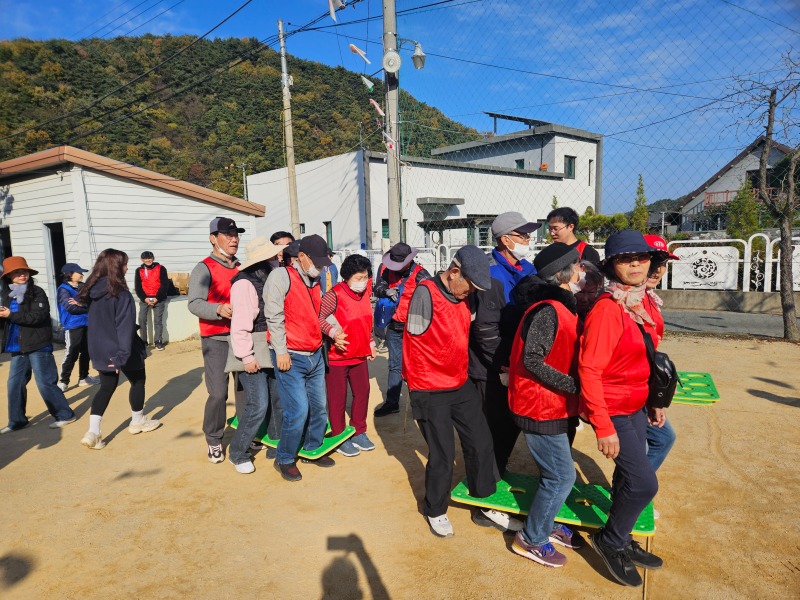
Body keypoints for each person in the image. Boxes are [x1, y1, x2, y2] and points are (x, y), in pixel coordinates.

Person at [579, 230, 664, 587]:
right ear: (612, 265)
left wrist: (655, 400)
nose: (635, 264)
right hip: (612, 407)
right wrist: (603, 426)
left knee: (631, 478)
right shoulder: (608, 309)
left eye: (641, 257)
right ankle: (611, 541)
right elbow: (589, 370)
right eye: (625, 258)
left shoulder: (643, 301)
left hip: (635, 403)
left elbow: (647, 356)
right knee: (644, 483)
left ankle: (621, 534)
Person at [403, 246, 502, 538]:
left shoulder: (465, 296)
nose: (470, 293)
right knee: (443, 453)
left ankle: (484, 498)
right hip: (430, 386)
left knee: (481, 441)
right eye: (469, 286)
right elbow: (412, 341)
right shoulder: (425, 293)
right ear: (454, 272)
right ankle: (435, 509)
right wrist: (418, 386)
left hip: (459, 381)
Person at [507, 243, 586, 568]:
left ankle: (546, 523)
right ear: (563, 273)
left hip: (554, 403)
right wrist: (573, 385)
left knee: (555, 474)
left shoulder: (562, 307)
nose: (582, 271)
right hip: (539, 405)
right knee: (562, 477)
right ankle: (531, 538)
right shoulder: (548, 311)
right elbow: (533, 360)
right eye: (578, 265)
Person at [469, 211, 539, 480]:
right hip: (492, 366)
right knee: (491, 427)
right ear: (505, 240)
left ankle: (497, 469)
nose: (528, 240)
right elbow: (485, 330)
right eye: (523, 235)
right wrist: (504, 364)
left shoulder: (528, 269)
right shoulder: (490, 274)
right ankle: (484, 482)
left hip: (516, 362)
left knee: (512, 423)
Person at [265, 234, 335, 481]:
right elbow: (274, 316)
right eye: (316, 262)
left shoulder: (315, 281)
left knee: (319, 407)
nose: (320, 268)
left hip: (315, 353)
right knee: (297, 410)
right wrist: (280, 350)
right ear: (301, 257)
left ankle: (312, 447)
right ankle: (284, 457)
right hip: (291, 355)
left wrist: (335, 331)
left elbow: (319, 314)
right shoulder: (281, 276)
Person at [77, 249, 161, 449]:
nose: (127, 268)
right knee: (138, 380)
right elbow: (124, 327)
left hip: (99, 348)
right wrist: (121, 355)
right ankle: (137, 420)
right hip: (123, 348)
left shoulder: (92, 292)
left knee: (106, 387)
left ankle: (93, 432)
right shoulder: (121, 294)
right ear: (116, 267)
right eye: (124, 264)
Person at [226, 237, 286, 474]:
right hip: (252, 349)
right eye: (273, 255)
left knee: (276, 398)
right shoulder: (244, 284)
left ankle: (275, 443)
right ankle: (237, 452)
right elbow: (240, 324)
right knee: (258, 403)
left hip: (271, 345)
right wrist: (247, 357)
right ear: (262, 260)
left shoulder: (269, 277)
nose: (277, 258)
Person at [188, 217, 245, 464]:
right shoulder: (204, 268)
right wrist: (218, 309)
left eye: (236, 234)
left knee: (244, 390)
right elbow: (194, 303)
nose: (234, 239)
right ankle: (213, 437)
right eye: (228, 235)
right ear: (213, 238)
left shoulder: (241, 267)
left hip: (241, 336)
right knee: (219, 393)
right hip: (216, 338)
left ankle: (246, 431)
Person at [0, 256, 77, 433]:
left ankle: (65, 414)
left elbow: (38, 317)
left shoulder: (37, 292)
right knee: (14, 384)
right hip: (17, 346)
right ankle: (17, 420)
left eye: (24, 271)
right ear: (8, 276)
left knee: (45, 382)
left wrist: (11, 315)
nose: (22, 275)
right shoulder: (6, 295)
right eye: (17, 272)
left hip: (38, 344)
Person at [318, 254, 377, 457]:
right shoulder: (334, 294)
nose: (363, 281)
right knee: (337, 398)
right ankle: (339, 435)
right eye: (359, 277)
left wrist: (370, 341)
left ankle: (359, 431)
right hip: (338, 356)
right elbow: (319, 318)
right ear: (347, 276)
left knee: (363, 392)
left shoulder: (365, 293)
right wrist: (333, 332)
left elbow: (365, 319)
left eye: (365, 277)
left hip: (359, 354)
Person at [372, 243, 431, 417]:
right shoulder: (387, 271)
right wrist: (386, 291)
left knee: (417, 366)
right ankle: (392, 402)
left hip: (414, 329)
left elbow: (431, 298)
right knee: (394, 365)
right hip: (394, 326)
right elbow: (377, 288)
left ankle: (421, 404)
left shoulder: (421, 274)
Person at [642, 234, 679, 474]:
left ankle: (630, 488)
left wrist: (656, 398)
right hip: (627, 391)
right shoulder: (625, 300)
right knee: (645, 447)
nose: (658, 270)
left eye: (663, 264)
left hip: (643, 386)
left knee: (663, 438)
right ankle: (631, 489)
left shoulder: (649, 299)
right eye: (653, 262)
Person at [57, 262, 100, 391]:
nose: (82, 274)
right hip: (73, 325)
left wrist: (82, 304)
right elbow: (71, 308)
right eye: (79, 272)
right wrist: (86, 307)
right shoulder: (64, 289)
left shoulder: (82, 286)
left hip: (87, 323)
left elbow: (93, 303)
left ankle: (84, 377)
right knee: (72, 353)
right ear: (69, 274)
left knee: (87, 351)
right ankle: (63, 381)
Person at [134, 251, 170, 351]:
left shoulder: (161, 268)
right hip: (145, 298)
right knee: (141, 319)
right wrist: (144, 298)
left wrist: (157, 297)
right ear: (142, 260)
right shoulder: (139, 270)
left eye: (149, 258)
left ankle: (158, 341)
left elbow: (164, 284)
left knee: (158, 321)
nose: (148, 260)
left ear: (153, 258)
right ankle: (143, 341)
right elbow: (138, 286)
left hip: (158, 298)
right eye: (145, 258)